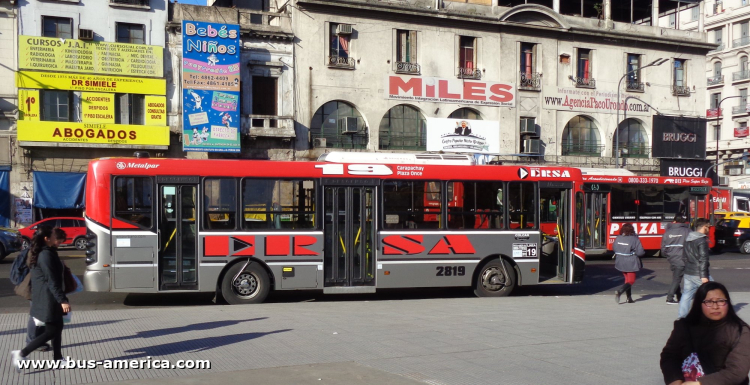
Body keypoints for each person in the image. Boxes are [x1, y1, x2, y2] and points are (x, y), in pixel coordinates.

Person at [660, 282, 750, 385]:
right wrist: (675, 380)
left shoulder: (740, 330)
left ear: (728, 303)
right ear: (699, 304)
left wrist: (700, 383)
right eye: (709, 302)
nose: (715, 306)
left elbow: (737, 371)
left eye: (721, 301)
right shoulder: (685, 326)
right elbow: (669, 356)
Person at [11, 227, 71, 372]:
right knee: (51, 331)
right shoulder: (45, 255)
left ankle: (58, 359)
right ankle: (21, 354)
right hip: (48, 298)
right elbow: (52, 280)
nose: (58, 242)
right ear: (46, 238)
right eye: (55, 237)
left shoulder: (46, 252)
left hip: (47, 296)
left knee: (57, 328)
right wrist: (62, 300)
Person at [679, 218, 713, 319]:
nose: (709, 229)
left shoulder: (688, 238)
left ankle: (681, 318)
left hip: (688, 272)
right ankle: (710, 316)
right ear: (704, 227)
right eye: (708, 227)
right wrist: (703, 276)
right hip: (698, 273)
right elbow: (703, 259)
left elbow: (684, 257)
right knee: (713, 292)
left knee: (686, 295)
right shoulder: (702, 241)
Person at [663, 215, 692, 305]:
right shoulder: (687, 231)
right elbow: (691, 246)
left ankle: (679, 296)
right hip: (682, 258)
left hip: (672, 258)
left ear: (674, 221)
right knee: (677, 279)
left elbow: (663, 248)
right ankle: (669, 298)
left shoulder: (668, 232)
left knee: (676, 277)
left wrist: (668, 256)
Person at [613, 223, 645, 304]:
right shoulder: (634, 239)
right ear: (632, 230)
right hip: (630, 262)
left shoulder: (618, 238)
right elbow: (640, 252)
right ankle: (619, 291)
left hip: (620, 261)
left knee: (627, 280)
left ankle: (629, 298)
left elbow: (614, 248)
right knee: (631, 280)